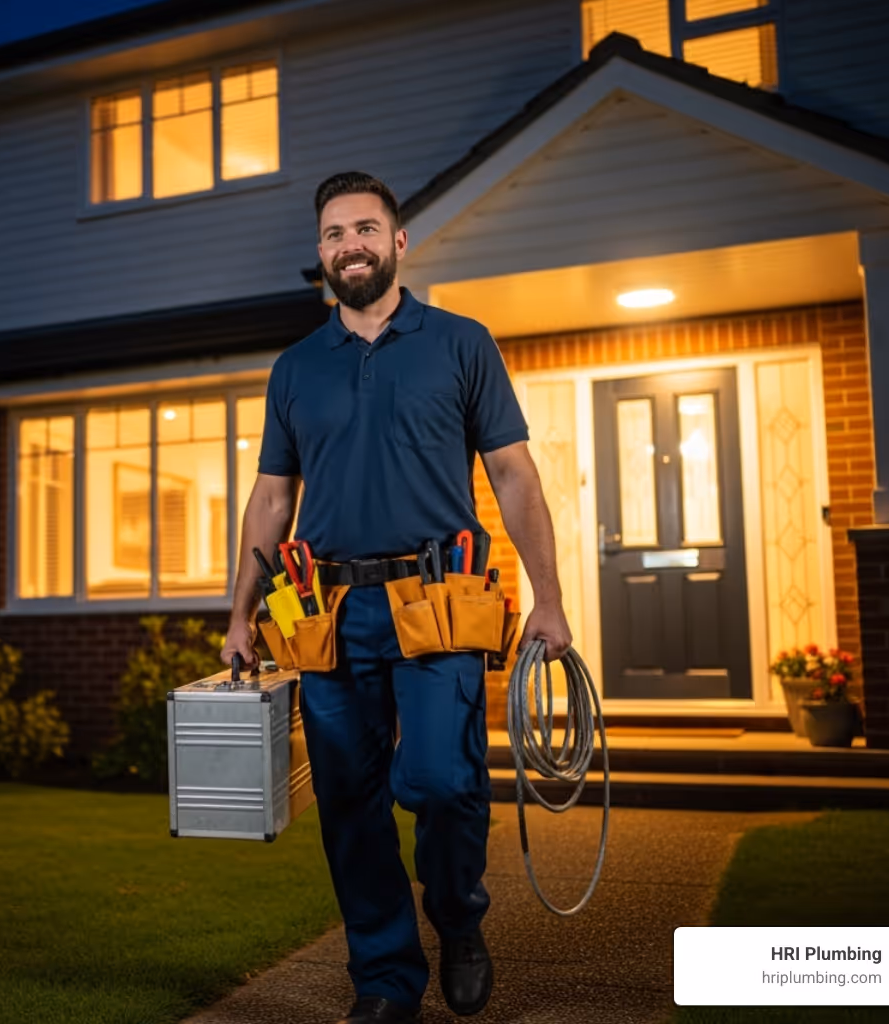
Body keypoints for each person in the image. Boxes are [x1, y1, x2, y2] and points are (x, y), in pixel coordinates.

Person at [221, 171, 571, 1023]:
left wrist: (550, 597)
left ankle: (458, 920)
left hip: (438, 602)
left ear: (400, 241)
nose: (352, 245)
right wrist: (239, 613)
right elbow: (272, 497)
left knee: (443, 782)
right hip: (326, 616)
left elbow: (513, 474)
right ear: (321, 252)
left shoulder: (460, 343)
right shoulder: (296, 368)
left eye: (367, 229)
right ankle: (383, 978)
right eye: (335, 233)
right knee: (349, 800)